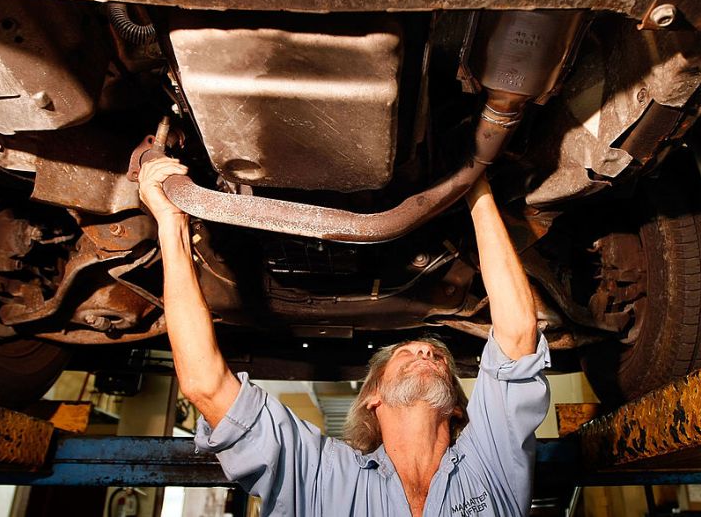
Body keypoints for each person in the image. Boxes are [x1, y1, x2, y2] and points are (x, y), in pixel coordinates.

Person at [138, 157, 550, 517]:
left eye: (437, 357)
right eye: (407, 353)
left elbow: (516, 333)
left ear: (460, 410)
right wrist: (171, 222)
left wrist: (474, 186)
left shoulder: (490, 459)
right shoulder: (318, 475)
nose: (426, 348)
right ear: (372, 396)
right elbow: (206, 386)